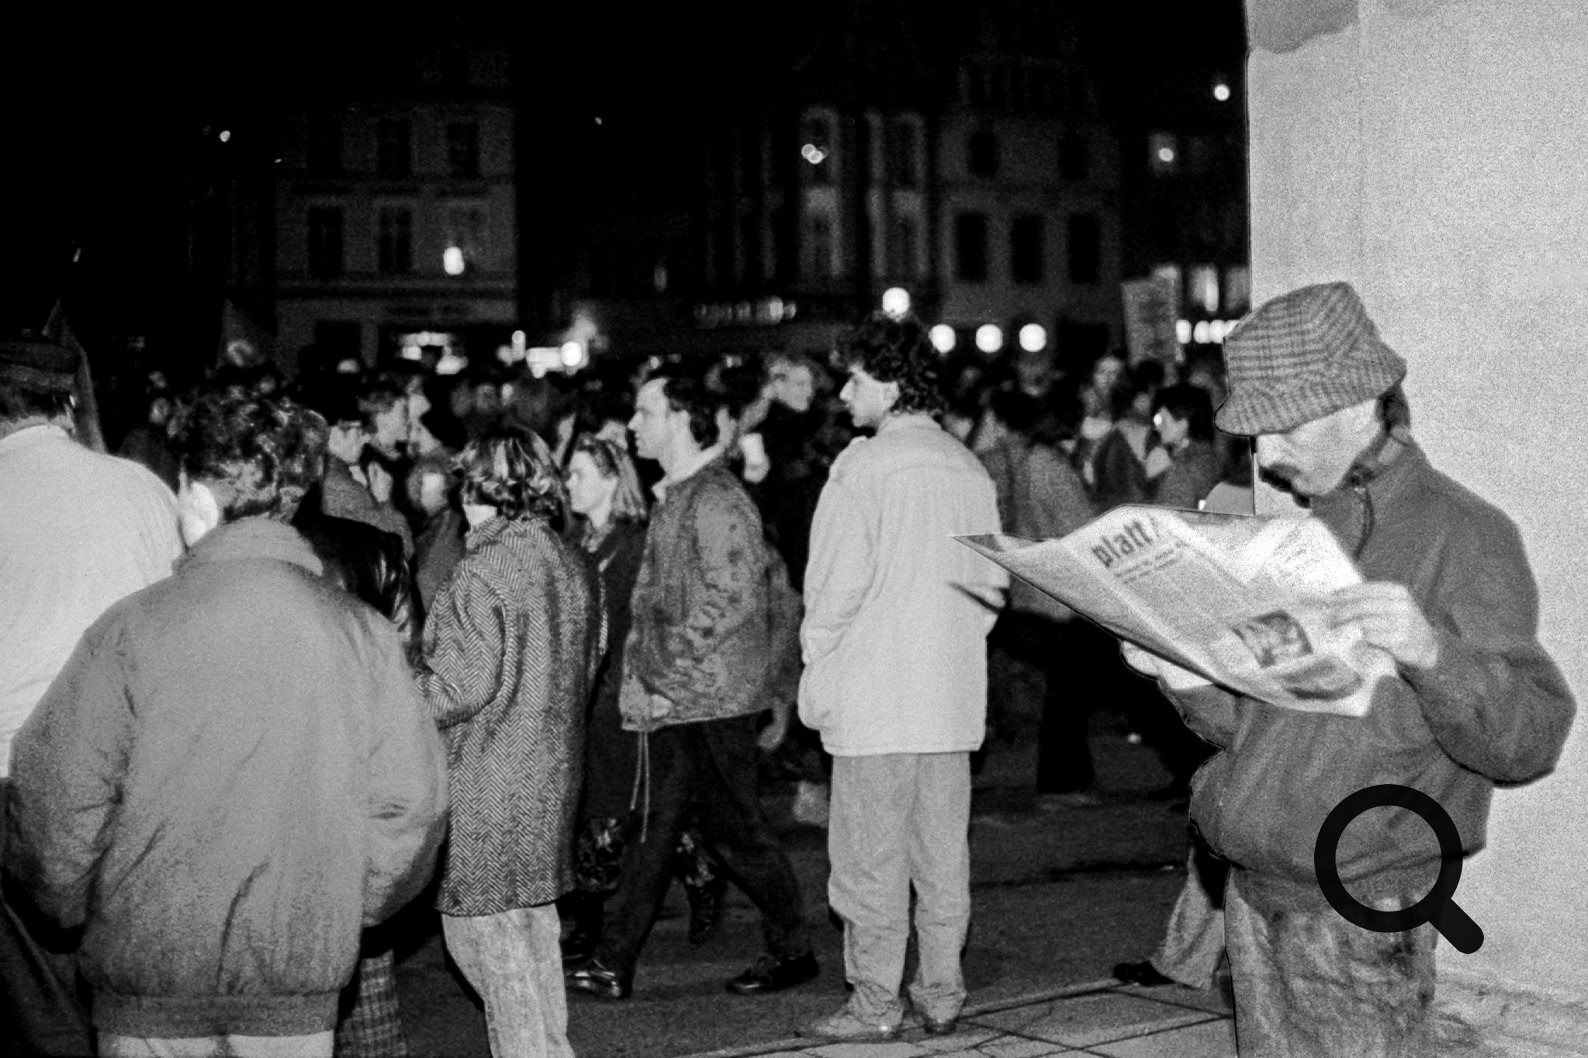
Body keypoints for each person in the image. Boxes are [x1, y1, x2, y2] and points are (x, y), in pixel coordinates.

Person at [1121, 281, 1575, 1056]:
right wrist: (1182, 672)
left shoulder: (1465, 535)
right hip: (1255, 891)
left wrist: (1433, 652)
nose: (1267, 454)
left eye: (1283, 427)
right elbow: (1258, 730)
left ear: (1356, 405)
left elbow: (1528, 740)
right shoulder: (1300, 539)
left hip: (1364, 898)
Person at [4, 391, 447, 1058]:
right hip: (293, 980)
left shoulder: (132, 630)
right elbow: (413, 805)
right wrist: (343, 908)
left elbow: (53, 799)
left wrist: (74, 905)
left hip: (150, 975)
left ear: (197, 497)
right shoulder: (361, 635)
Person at [566, 373, 817, 1001]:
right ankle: (612, 960)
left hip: (712, 700)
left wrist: (661, 670)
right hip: (686, 697)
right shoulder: (682, 496)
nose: (633, 423)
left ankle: (794, 948)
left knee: (737, 835)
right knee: (653, 831)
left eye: (646, 409)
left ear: (681, 417)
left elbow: (733, 596)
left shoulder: (716, 500)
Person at [796, 314, 1006, 1042]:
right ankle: (942, 991)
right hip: (948, 700)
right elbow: (990, 593)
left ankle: (874, 1003)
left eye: (853, 379)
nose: (844, 394)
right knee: (941, 858)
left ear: (887, 382)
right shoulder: (968, 468)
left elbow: (832, 593)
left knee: (869, 864)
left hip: (875, 701)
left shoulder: (862, 469)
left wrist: (817, 674)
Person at [0, 336, 185, 1057]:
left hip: (10, 775)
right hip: (121, 771)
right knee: (121, 987)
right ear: (69, 404)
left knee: (32, 1000)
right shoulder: (141, 490)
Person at [416, 428, 604, 1058]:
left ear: (474, 489)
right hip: (550, 780)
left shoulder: (480, 572)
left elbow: (454, 691)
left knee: (490, 949)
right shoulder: (571, 563)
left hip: (486, 787)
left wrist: (393, 679)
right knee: (531, 940)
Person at [1146, 383, 1223, 510]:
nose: (1157, 427)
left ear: (1183, 423)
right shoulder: (1207, 456)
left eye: (1162, 420)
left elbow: (1170, 511)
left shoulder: (1190, 465)